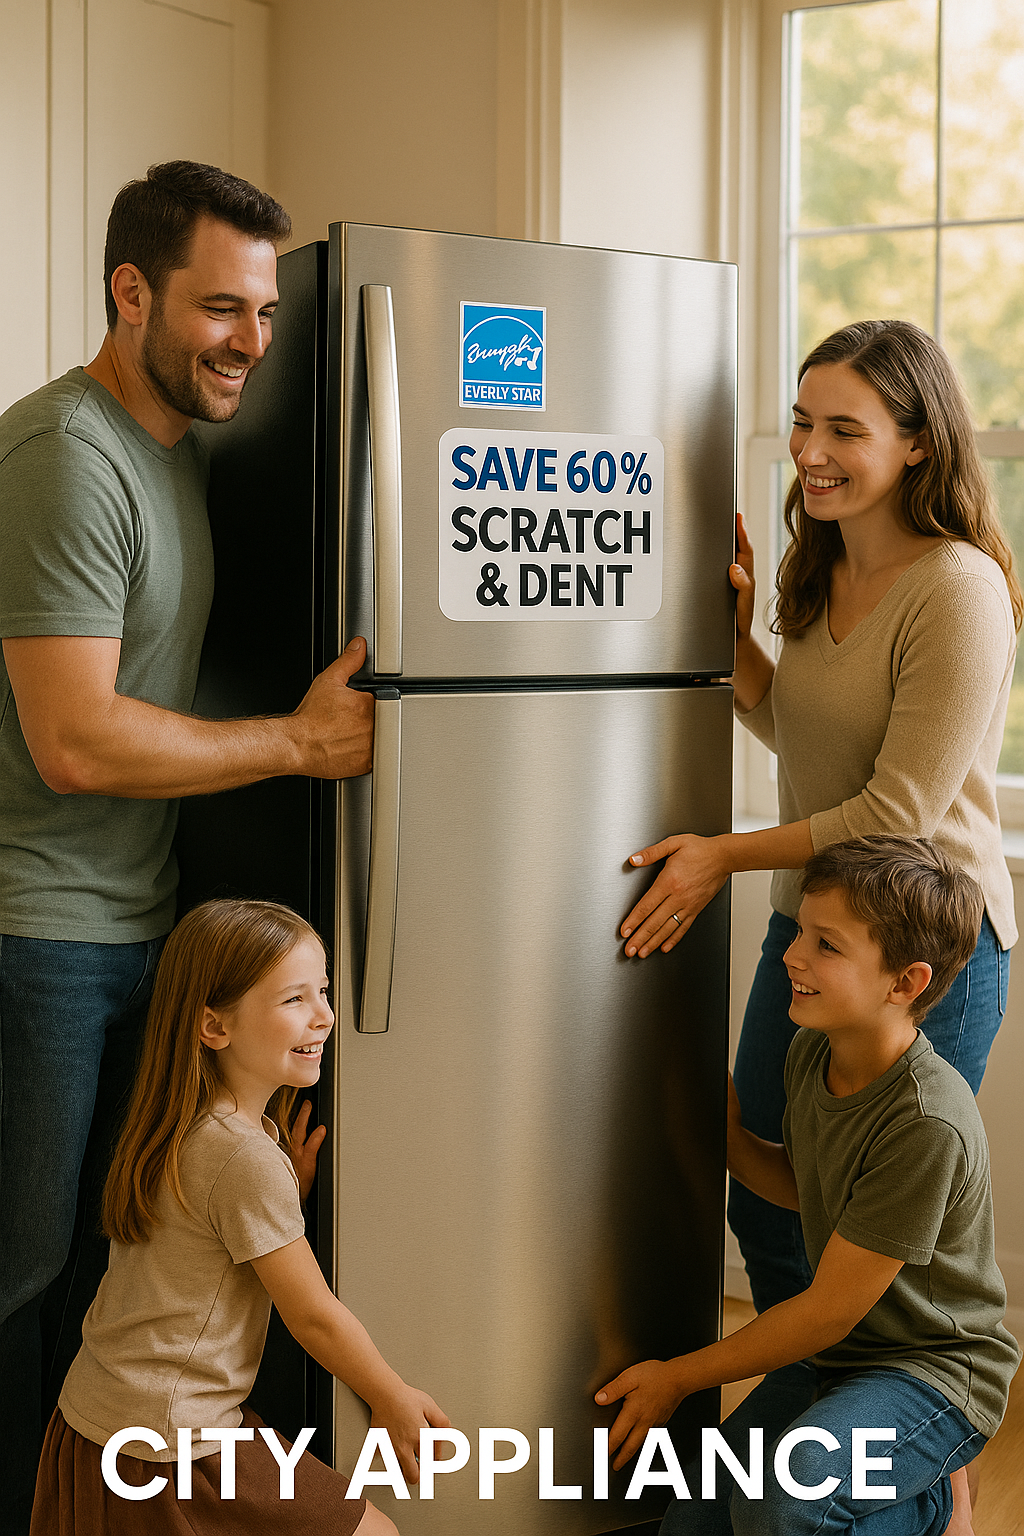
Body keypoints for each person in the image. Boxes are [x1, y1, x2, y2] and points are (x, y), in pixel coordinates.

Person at [0, 161, 374, 1533]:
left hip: (137, 926)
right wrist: (299, 744)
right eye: (223, 309)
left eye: (267, 313)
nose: (252, 344)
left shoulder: (181, 455)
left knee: (115, 1275)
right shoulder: (63, 458)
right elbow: (75, 742)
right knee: (26, 1282)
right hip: (35, 932)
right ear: (130, 290)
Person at [619, 319, 1020, 1312]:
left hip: (928, 947)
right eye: (802, 423)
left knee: (872, 1236)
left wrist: (721, 856)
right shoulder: (822, 563)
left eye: (843, 429)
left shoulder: (956, 589)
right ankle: (832, 1421)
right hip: (813, 922)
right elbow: (793, 731)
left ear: (917, 440)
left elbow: (895, 810)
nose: (809, 453)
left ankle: (917, 1453)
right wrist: (726, 643)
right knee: (766, 1197)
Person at [598, 836, 1020, 1536]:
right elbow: (808, 1188)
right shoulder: (813, 1050)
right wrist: (725, 1136)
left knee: (786, 1507)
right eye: (800, 931)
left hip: (929, 1373)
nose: (792, 955)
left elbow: (826, 1311)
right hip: (840, 1360)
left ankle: (932, 1502)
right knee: (697, 1519)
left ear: (906, 982)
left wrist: (677, 1377)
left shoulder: (926, 1122)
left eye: (827, 946)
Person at [29, 897, 446, 1536]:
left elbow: (201, 1235)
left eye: (324, 991)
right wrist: (391, 1395)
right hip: (171, 1445)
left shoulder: (176, 1124)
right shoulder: (244, 1160)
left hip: (97, 1419)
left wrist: (287, 1196)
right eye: (293, 1000)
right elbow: (313, 1315)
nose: (327, 1017)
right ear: (214, 1027)